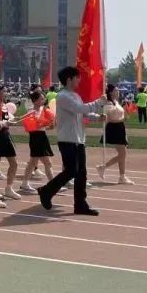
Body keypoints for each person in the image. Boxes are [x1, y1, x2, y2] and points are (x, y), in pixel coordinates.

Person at [36, 66, 105, 216]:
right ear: (69, 79)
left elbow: (81, 113)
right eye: (77, 77)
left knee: (81, 173)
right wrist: (99, 102)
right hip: (67, 139)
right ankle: (46, 191)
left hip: (78, 139)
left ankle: (80, 205)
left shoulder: (75, 96)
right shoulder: (63, 96)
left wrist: (97, 117)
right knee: (71, 170)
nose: (79, 80)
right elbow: (79, 109)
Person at [0, 84, 22, 199]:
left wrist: (10, 121)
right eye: (4, 91)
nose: (6, 93)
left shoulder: (4, 105)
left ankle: (8, 188)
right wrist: (3, 124)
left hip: (5, 135)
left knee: (14, 163)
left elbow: (5, 120)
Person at [19, 89, 55, 194]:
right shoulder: (31, 112)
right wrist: (43, 124)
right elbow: (30, 127)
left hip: (42, 137)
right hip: (35, 138)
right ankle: (53, 185)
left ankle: (25, 183)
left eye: (43, 98)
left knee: (33, 162)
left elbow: (47, 126)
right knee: (47, 163)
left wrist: (50, 125)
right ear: (35, 101)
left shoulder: (44, 110)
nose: (43, 100)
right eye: (41, 99)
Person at [97, 84, 134, 185]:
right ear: (110, 92)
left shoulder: (116, 102)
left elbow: (121, 115)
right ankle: (103, 167)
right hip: (114, 128)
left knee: (122, 154)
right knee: (123, 154)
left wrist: (127, 112)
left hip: (120, 128)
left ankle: (122, 176)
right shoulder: (108, 103)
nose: (118, 92)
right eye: (116, 90)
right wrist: (122, 119)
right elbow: (109, 119)